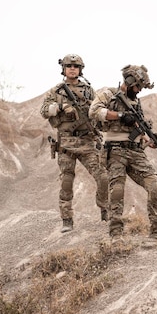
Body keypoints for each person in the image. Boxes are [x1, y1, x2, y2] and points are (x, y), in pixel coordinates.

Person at [89, 64, 157, 245]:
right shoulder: (108, 94)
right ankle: (116, 234)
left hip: (136, 152)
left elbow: (136, 127)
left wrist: (149, 139)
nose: (139, 91)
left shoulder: (136, 102)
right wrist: (120, 115)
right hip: (115, 150)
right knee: (117, 190)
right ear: (129, 81)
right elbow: (94, 111)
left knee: (156, 187)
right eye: (137, 86)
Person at [40, 54, 108, 233]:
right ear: (63, 69)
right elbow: (44, 110)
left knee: (102, 177)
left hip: (87, 142)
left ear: (80, 69)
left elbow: (98, 110)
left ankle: (105, 211)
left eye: (75, 66)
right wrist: (61, 107)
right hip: (66, 143)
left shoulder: (89, 91)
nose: (72, 68)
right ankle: (67, 219)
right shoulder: (56, 91)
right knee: (67, 182)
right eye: (68, 66)